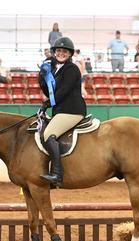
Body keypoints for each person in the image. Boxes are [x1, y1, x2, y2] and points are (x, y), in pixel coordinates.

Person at [38, 37, 86, 187]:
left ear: (70, 54)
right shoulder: (55, 70)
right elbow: (50, 92)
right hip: (60, 111)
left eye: (64, 51)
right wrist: (42, 78)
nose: (61, 53)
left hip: (72, 110)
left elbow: (63, 91)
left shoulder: (71, 69)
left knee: (48, 134)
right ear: (54, 52)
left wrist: (47, 103)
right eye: (58, 50)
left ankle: (57, 174)